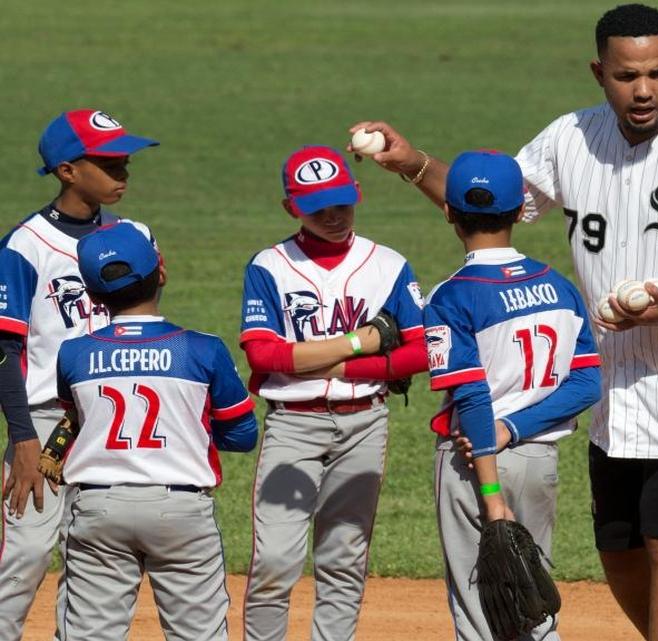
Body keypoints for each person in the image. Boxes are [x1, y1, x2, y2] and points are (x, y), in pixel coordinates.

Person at [351, 4, 658, 639]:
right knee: (618, 548)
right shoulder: (572, 137)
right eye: (627, 76)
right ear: (600, 72)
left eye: (656, 72)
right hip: (616, 387)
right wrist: (414, 164)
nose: (643, 89)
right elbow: (493, 204)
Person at [239, 145, 429, 641]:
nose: (332, 216)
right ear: (291, 208)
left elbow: (421, 352)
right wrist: (359, 341)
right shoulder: (270, 267)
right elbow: (263, 356)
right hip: (293, 425)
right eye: (317, 207)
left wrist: (338, 361)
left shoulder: (387, 264)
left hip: (365, 422)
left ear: (357, 194)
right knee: (275, 561)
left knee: (343, 557)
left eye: (341, 203)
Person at [424, 150, 602, 640]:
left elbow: (474, 398)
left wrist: (490, 493)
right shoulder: (559, 288)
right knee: (532, 600)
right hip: (537, 460)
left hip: (476, 460)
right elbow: (588, 384)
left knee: (482, 612)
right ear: (520, 209)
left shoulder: (452, 296)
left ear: (449, 212)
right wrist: (518, 428)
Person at [53, 222, 257, 640]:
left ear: (92, 296)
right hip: (179, 512)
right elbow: (243, 435)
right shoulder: (202, 348)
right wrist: (185, 431)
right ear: (160, 271)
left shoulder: (73, 354)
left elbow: (79, 422)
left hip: (98, 510)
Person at [0, 109, 158, 641]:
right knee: (24, 552)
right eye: (108, 161)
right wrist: (22, 437)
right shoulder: (26, 245)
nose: (123, 170)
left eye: (124, 159)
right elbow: (4, 349)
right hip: (46, 422)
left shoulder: (134, 233)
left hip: (114, 417)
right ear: (67, 171)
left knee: (93, 556)